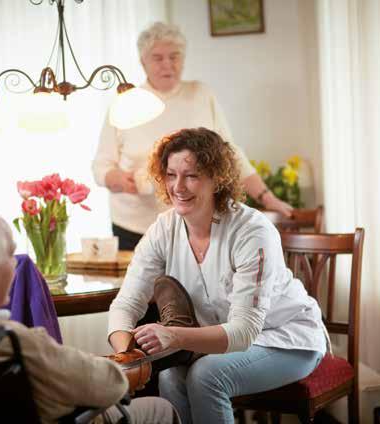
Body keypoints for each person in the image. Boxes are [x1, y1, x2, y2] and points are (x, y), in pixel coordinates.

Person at [107, 128, 327, 424]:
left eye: (192, 176)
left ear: (217, 178)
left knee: (207, 376)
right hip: (220, 344)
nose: (178, 187)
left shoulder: (252, 231)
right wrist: (126, 359)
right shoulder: (164, 228)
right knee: (171, 376)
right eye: (171, 175)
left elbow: (244, 332)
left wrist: (172, 336)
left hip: (288, 339)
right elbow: (126, 304)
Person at [0, 207, 179, 424]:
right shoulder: (19, 345)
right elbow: (109, 386)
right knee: (159, 409)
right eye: (9, 256)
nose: (14, 267)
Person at [92, 22, 292, 251]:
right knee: (141, 286)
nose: (168, 64)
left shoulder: (200, 95)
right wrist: (114, 178)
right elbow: (100, 166)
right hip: (134, 226)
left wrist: (267, 197)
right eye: (158, 58)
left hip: (195, 224)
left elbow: (230, 153)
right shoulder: (125, 104)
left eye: (174, 56)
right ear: (142, 62)